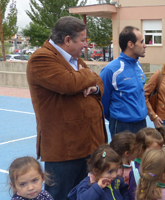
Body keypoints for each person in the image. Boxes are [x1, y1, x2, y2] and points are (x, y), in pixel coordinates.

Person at [26, 16, 107, 199]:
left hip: (86, 146)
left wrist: (93, 86)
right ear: (68, 40)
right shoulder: (41, 58)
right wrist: (88, 74)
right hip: (63, 151)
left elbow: (99, 82)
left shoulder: (74, 59)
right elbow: (69, 83)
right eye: (83, 40)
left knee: (85, 194)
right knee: (61, 195)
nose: (86, 45)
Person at [100, 26, 148, 136]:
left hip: (141, 124)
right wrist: (117, 117)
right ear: (130, 44)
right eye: (141, 42)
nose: (145, 45)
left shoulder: (138, 66)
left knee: (141, 153)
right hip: (122, 126)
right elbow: (103, 100)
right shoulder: (111, 70)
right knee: (121, 154)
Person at [129, 127, 165, 200]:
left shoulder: (157, 163)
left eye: (159, 150)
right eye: (153, 151)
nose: (157, 154)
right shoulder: (135, 170)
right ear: (141, 148)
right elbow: (133, 194)